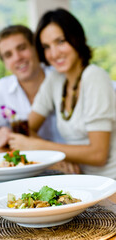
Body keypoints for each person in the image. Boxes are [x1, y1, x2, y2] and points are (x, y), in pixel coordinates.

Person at [9, 8, 116, 179]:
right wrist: (57, 159)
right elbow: (26, 129)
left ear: (77, 39)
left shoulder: (94, 77)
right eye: (46, 47)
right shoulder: (56, 80)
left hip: (109, 183)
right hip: (79, 178)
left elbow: (98, 155)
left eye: (60, 41)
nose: (54, 54)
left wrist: (40, 147)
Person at [0, 24, 64, 148]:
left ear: (35, 48)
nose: (17, 58)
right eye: (8, 55)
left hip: (73, 160)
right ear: (4, 63)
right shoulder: (1, 89)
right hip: (33, 160)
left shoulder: (62, 78)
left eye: (22, 48)